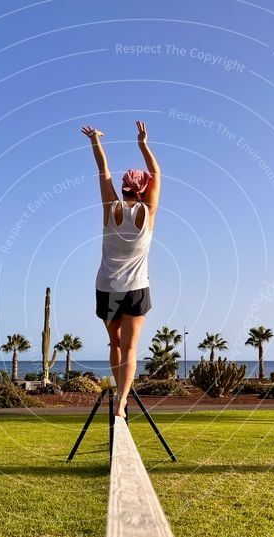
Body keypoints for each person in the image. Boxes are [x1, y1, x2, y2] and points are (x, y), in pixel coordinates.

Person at [81, 120, 160, 418]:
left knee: (114, 343)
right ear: (143, 190)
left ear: (125, 188)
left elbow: (104, 172)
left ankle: (118, 395)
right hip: (136, 289)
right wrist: (143, 144)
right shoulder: (148, 213)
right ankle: (123, 402)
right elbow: (157, 174)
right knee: (129, 349)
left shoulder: (110, 208)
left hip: (107, 288)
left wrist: (95, 141)